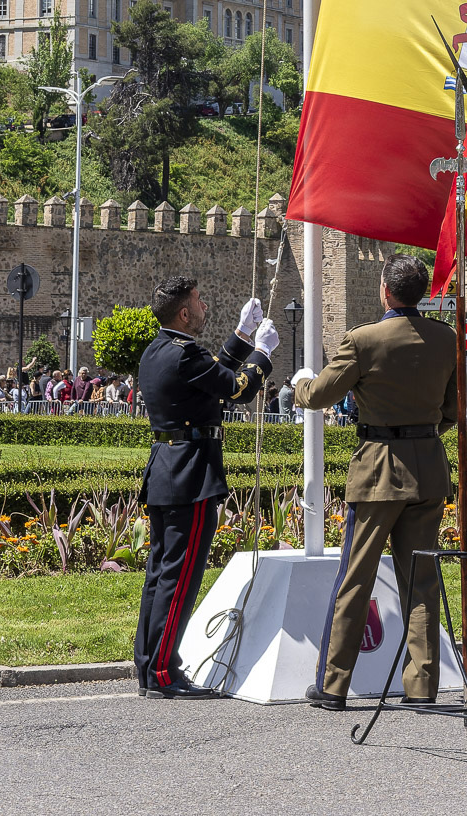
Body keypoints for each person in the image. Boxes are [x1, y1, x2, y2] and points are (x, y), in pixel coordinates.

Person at [292, 252, 459, 711]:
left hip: (379, 471)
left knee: (356, 578)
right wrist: (420, 436)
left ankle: (334, 684)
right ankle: (421, 685)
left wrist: (301, 381)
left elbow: (321, 395)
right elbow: (453, 411)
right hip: (427, 468)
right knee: (421, 582)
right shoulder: (446, 341)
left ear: (384, 291)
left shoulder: (363, 339)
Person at [133, 277, 277, 700]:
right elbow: (234, 388)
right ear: (183, 313)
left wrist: (241, 336)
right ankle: (162, 672)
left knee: (160, 576)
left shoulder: (161, 349)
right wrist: (263, 353)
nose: (204, 305)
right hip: (191, 475)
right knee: (178, 579)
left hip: (167, 469)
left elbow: (210, 375)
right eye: (197, 301)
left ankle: (151, 664)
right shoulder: (184, 354)